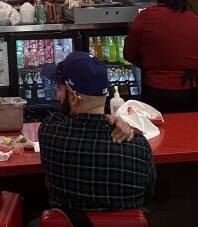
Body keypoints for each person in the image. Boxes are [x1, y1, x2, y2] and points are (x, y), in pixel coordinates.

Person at [38, 52, 155, 227]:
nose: (57, 94)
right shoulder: (139, 147)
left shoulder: (50, 132)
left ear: (72, 97)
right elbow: (148, 194)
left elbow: (59, 117)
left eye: (60, 88)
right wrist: (116, 120)